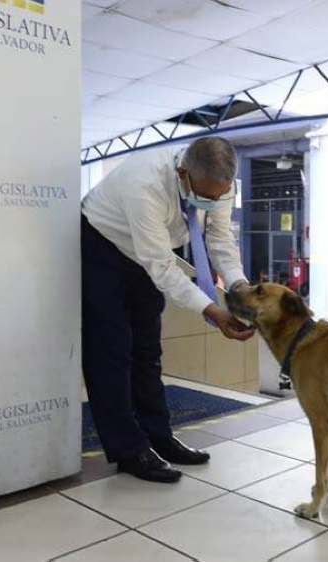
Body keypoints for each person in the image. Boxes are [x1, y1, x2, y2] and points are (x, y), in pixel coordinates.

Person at [81, 136, 255, 483]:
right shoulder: (144, 185)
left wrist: (240, 288)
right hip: (104, 245)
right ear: (182, 173)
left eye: (218, 197)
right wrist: (212, 311)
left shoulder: (218, 184)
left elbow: (220, 239)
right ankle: (129, 449)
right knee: (111, 350)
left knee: (148, 347)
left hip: (151, 248)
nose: (211, 203)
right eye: (205, 197)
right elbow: (160, 266)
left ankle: (158, 435)